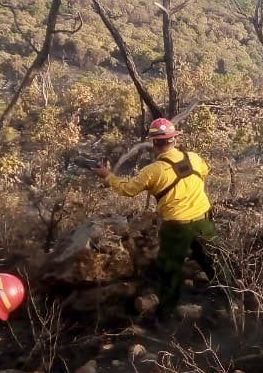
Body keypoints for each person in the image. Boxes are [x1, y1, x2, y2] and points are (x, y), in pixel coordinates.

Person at [93, 118, 216, 315]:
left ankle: (167, 316)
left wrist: (107, 175)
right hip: (204, 221)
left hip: (177, 227)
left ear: (154, 143)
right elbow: (205, 172)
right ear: (174, 139)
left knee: (169, 270)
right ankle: (231, 300)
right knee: (214, 262)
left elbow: (127, 190)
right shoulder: (194, 157)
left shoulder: (152, 171)